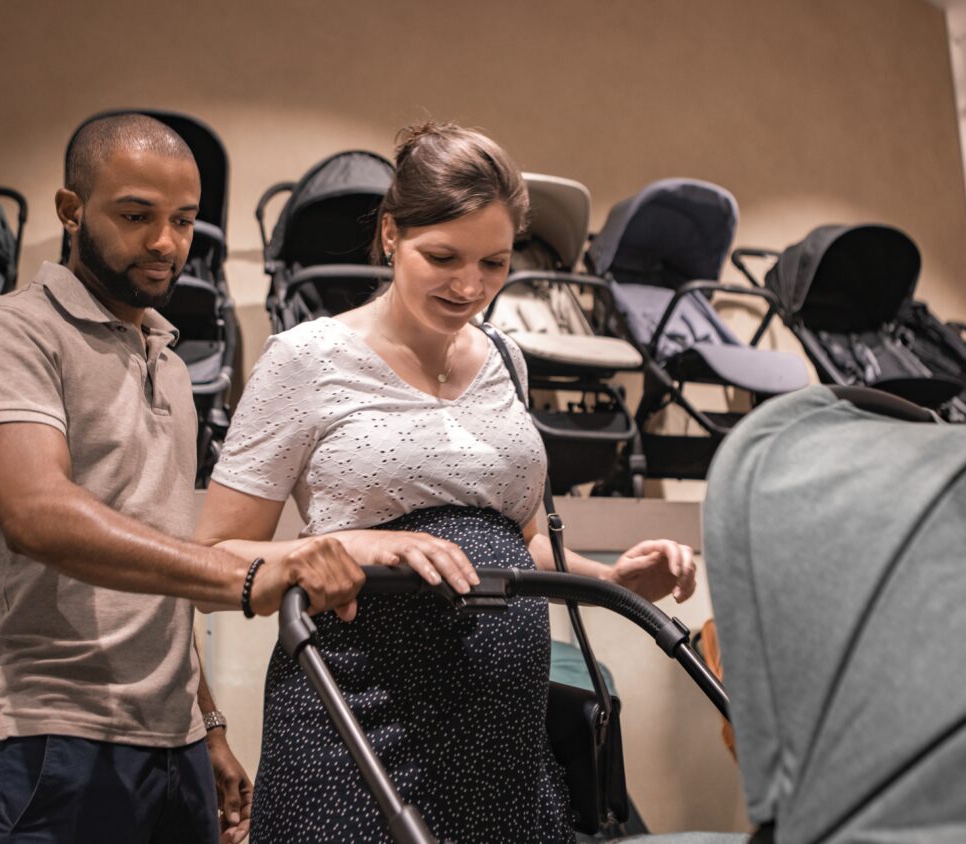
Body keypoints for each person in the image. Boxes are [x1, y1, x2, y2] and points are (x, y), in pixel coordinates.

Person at [197, 122, 698, 843]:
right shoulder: (304, 360)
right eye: (443, 257)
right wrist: (364, 546)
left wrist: (613, 576)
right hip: (356, 723)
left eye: (494, 263)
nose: (470, 287)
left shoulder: (506, 360)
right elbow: (214, 557)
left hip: (503, 741)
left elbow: (521, 543)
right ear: (392, 234)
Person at [0, 113, 367, 843]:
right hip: (48, 737)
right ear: (71, 211)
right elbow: (37, 512)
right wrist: (234, 576)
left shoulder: (168, 362)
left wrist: (204, 721)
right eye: (136, 215)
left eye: (183, 220)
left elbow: (159, 555)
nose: (165, 242)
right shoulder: (10, 332)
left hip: (172, 747)